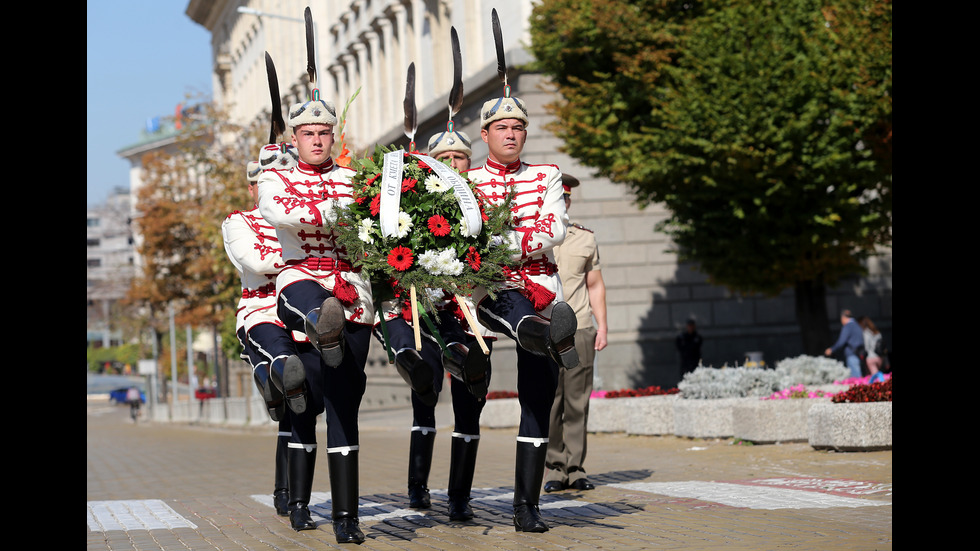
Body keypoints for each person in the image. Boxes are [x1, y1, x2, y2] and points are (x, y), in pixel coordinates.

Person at [257, 97, 374, 544]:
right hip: (301, 277)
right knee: (304, 401)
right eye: (308, 134)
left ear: (333, 137)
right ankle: (301, 503)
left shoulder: (357, 180)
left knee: (344, 404)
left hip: (352, 292)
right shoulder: (275, 177)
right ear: (295, 139)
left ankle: (347, 518)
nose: (317, 140)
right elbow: (279, 212)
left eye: (324, 133)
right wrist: (338, 212)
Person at [464, 90, 578, 533]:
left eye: (518, 128)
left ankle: (525, 506)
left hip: (544, 288)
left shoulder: (547, 175)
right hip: (493, 290)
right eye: (502, 128)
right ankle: (546, 332)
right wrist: (513, 247)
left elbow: (554, 229)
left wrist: (497, 245)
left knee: (537, 399)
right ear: (485, 134)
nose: (511, 135)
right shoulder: (467, 183)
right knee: (517, 314)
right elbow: (467, 245)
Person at [371, 130, 493, 522]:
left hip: (470, 318)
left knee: (469, 407)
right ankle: (417, 486)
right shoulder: (417, 205)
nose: (454, 164)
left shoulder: (483, 209)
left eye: (460, 158)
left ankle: (460, 496)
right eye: (445, 158)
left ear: (469, 163)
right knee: (425, 397)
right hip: (424, 314)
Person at [223, 152, 321, 523]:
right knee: (285, 365)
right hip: (263, 313)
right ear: (253, 187)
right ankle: (270, 376)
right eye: (266, 179)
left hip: (300, 314)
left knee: (301, 409)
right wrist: (307, 258)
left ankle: (287, 493)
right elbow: (257, 261)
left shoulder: (305, 219)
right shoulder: (238, 221)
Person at [544, 174, 608, 494]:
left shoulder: (585, 238)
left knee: (577, 402)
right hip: (543, 331)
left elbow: (594, 285)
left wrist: (603, 327)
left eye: (566, 198)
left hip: (580, 328)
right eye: (558, 197)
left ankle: (576, 467)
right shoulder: (534, 237)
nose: (563, 202)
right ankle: (554, 467)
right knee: (552, 402)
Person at [824, 309, 864, 379]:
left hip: (851, 353)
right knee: (858, 374)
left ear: (843, 317)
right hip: (859, 353)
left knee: (856, 378)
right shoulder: (857, 325)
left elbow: (841, 341)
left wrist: (832, 349)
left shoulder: (847, 326)